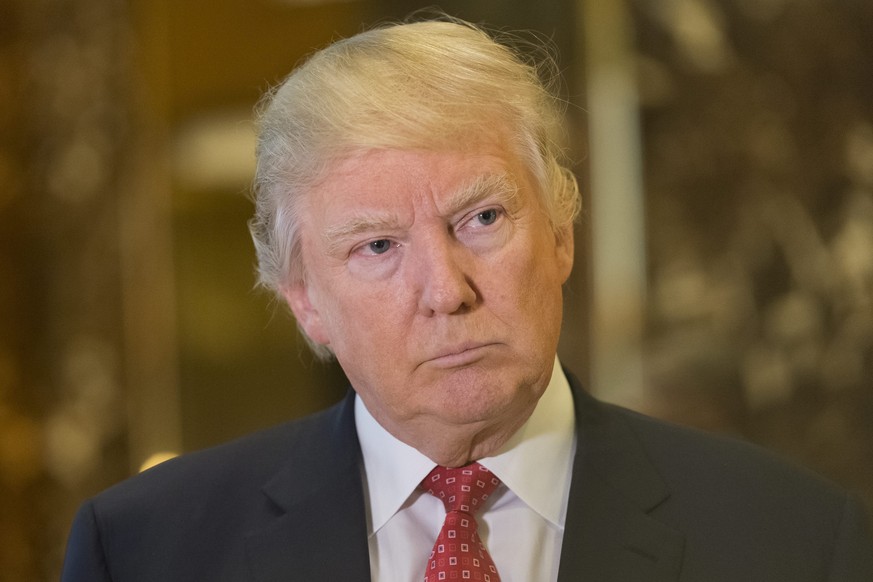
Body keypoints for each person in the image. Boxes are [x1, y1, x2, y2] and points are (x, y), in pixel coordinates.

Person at [61, 16, 872, 582]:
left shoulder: (792, 538)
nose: (446, 291)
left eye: (481, 219)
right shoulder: (143, 551)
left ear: (561, 231)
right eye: (376, 246)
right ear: (303, 299)